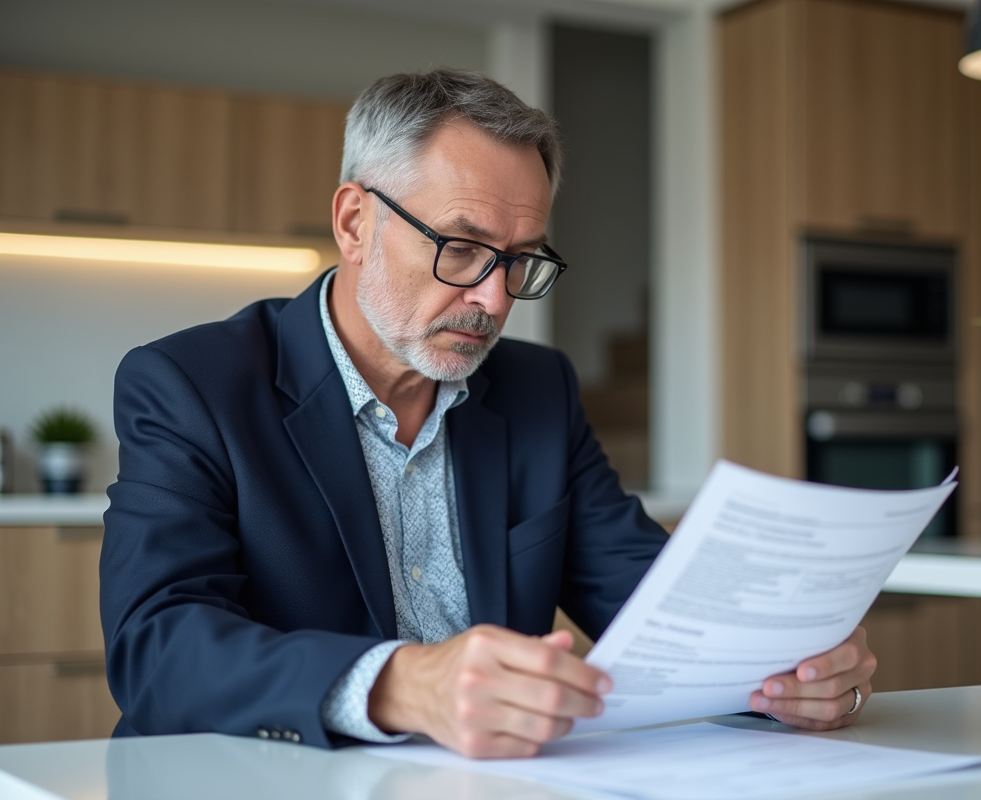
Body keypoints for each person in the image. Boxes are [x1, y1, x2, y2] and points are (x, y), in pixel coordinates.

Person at [99, 69, 876, 759]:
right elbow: (156, 647)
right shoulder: (189, 383)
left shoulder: (538, 389)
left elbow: (651, 598)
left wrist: (789, 667)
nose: (495, 299)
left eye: (520, 260)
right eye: (462, 249)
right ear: (353, 223)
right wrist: (400, 685)